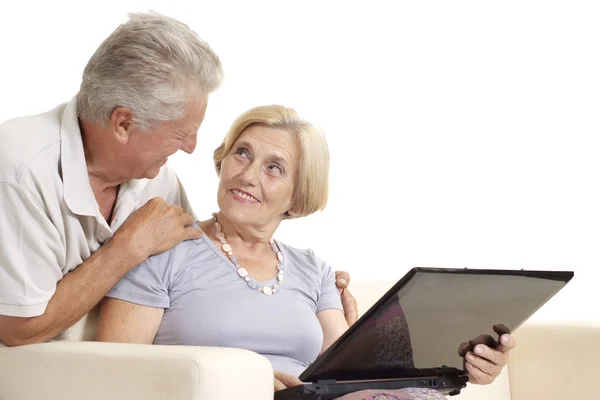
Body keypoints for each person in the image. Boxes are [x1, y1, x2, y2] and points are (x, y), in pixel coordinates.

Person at [96, 105, 516, 400]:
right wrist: (246, 382)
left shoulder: (311, 270)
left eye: (273, 167)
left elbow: (347, 371)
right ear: (222, 162)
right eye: (241, 153)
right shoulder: (164, 248)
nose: (246, 174)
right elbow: (110, 370)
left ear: (298, 194)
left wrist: (460, 367)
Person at [0, 11, 356, 346]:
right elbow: (17, 328)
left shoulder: (155, 179)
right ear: (124, 123)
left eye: (274, 167)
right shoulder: (21, 170)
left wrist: (321, 295)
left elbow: (204, 257)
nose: (191, 148)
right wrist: (127, 248)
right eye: (181, 133)